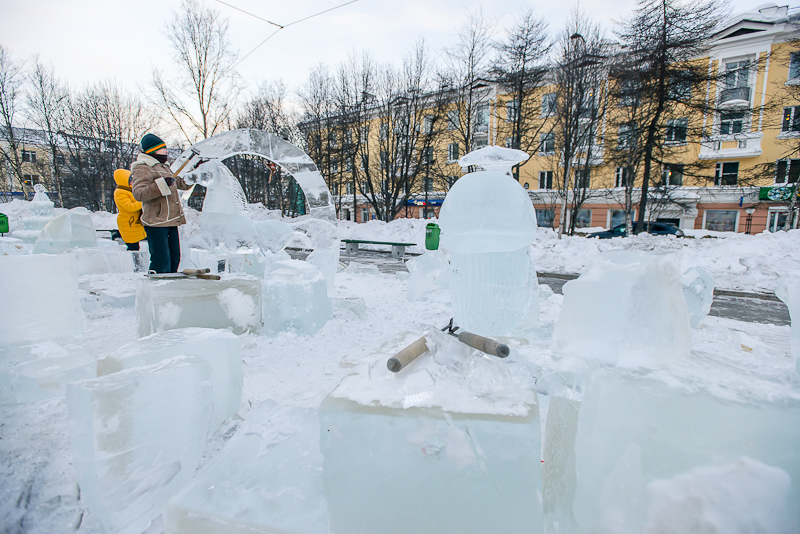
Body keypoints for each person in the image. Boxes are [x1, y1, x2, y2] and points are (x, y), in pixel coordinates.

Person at [130, 133, 190, 273]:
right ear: (152, 150)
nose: (166, 151)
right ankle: (157, 287)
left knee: (175, 258)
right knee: (161, 260)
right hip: (156, 222)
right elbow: (139, 193)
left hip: (171, 220)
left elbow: (178, 183)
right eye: (162, 148)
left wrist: (193, 176)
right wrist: (161, 185)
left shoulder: (164, 167)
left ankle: (170, 287)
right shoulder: (143, 168)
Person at [112, 169, 146, 251]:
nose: (133, 182)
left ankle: (136, 261)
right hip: (128, 223)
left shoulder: (130, 190)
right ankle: (134, 262)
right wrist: (144, 202)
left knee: (136, 245)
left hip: (134, 222)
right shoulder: (120, 193)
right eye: (130, 180)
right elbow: (129, 207)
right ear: (124, 181)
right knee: (133, 246)